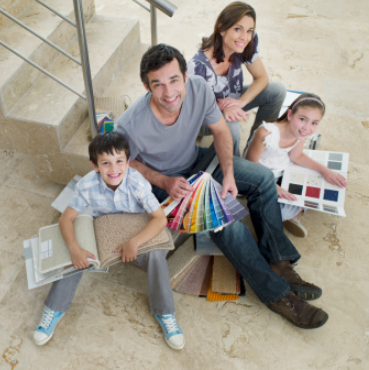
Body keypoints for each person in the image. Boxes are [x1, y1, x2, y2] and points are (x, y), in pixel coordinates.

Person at [114, 43, 329, 329]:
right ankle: (277, 295)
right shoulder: (130, 125)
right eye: (158, 85)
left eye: (174, 80)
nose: (169, 93)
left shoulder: (199, 88)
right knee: (226, 222)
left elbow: (220, 131)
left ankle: (279, 261)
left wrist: (228, 174)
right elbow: (124, 164)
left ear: (185, 75)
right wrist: (162, 180)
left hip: (197, 162)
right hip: (166, 183)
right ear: (146, 86)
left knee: (262, 179)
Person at [33, 132, 185, 351]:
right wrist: (75, 249)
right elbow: (66, 218)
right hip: (104, 226)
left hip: (136, 226)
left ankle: (165, 313)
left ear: (127, 162)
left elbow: (160, 219)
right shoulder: (86, 185)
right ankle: (54, 309)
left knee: (156, 255)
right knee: (74, 252)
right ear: (95, 166)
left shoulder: (137, 183)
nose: (114, 169)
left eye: (119, 161)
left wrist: (134, 242)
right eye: (106, 163)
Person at [187, 1, 286, 156]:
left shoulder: (244, 44)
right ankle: (237, 167)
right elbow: (195, 109)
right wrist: (223, 107)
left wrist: (240, 102)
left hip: (230, 101)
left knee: (276, 91)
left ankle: (256, 147)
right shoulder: (198, 67)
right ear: (222, 28)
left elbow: (261, 77)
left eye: (249, 31)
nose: (244, 37)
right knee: (231, 123)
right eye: (238, 29)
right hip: (202, 117)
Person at [245, 93, 347, 237]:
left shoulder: (299, 133)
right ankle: (296, 210)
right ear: (290, 114)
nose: (307, 127)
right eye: (302, 119)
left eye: (314, 123)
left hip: (282, 171)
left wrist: (324, 170)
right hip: (261, 176)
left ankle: (295, 209)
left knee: (313, 182)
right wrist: (274, 187)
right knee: (274, 213)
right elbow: (250, 166)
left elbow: (296, 155)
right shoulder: (266, 133)